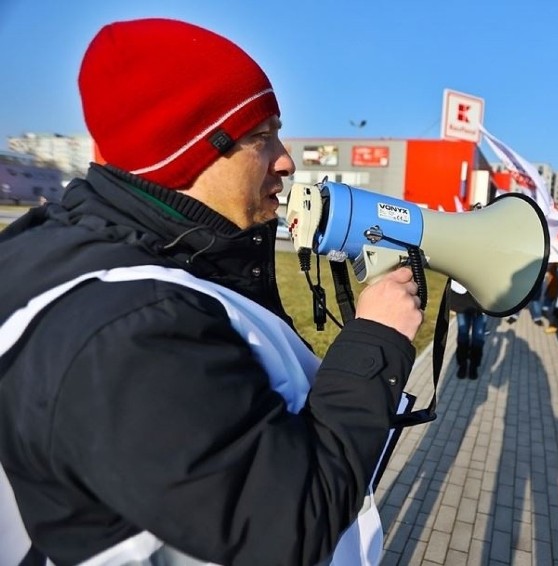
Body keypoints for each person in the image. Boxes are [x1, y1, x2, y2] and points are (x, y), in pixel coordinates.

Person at [0, 18, 424, 565]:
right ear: (184, 152)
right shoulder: (134, 327)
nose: (286, 159)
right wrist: (377, 338)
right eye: (259, 136)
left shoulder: (74, 248)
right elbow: (289, 523)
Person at [449, 280, 487, 379]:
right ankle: (462, 364)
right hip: (462, 300)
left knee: (478, 338)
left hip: (482, 302)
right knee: (463, 334)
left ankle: (474, 366)